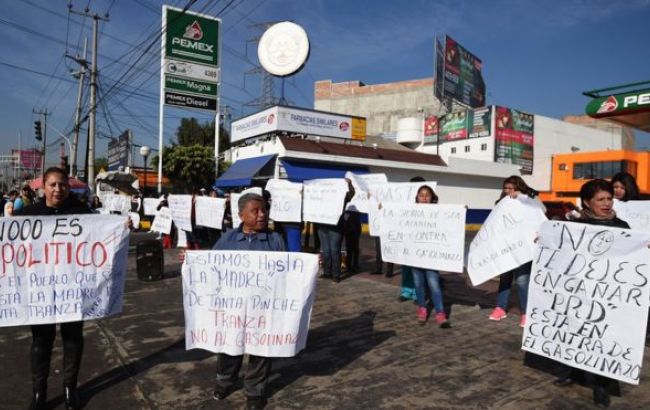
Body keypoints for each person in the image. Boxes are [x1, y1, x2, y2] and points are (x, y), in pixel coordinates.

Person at [14, 167, 93, 410]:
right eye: (53, 185)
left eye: (63, 185)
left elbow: (101, 238)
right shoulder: (27, 215)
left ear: (68, 187)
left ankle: (70, 387)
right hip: (41, 290)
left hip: (72, 288)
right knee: (41, 340)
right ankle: (40, 391)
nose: (58, 189)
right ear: (43, 187)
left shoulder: (83, 213)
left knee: (72, 338)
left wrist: (123, 227)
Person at [553, 179, 629, 408]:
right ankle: (574, 371)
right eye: (600, 199)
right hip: (579, 292)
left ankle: (601, 385)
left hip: (607, 295)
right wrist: (546, 241)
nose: (606, 203)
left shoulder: (622, 226)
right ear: (587, 202)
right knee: (576, 332)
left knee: (602, 339)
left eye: (609, 199)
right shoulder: (574, 226)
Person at [211, 193, 286, 410]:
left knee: (261, 350)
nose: (262, 215)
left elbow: (288, 271)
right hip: (233, 308)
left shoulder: (275, 240)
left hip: (263, 308)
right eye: (255, 211)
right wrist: (190, 260)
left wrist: (310, 264)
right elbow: (210, 264)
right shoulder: (228, 239)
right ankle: (224, 381)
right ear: (241, 214)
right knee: (229, 347)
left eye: (264, 210)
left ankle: (255, 391)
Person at [488, 176, 538, 327]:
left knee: (522, 281)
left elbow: (539, 212)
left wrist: (523, 197)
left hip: (523, 249)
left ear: (520, 188)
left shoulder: (530, 201)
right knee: (505, 279)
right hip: (505, 249)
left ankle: (525, 313)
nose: (509, 191)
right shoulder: (500, 204)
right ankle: (500, 307)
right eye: (506, 188)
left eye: (512, 188)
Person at [410, 185, 450, 328]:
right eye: (421, 195)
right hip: (415, 256)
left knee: (434, 285)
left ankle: (440, 313)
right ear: (417, 198)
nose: (424, 197)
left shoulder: (439, 212)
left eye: (427, 195)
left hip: (432, 257)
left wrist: (461, 211)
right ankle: (422, 308)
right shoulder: (409, 212)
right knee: (419, 285)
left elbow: (449, 225)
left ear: (432, 197)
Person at [317, 180, 354, 283]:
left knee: (334, 251)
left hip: (336, 227)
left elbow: (351, 195)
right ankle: (327, 272)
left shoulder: (342, 196)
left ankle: (336, 274)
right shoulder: (321, 195)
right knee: (326, 251)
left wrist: (349, 185)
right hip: (322, 226)